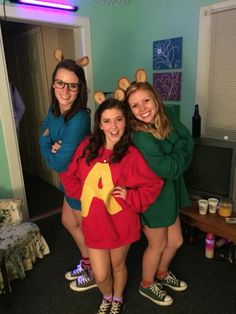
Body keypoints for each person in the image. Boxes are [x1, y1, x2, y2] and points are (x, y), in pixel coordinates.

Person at [60, 96, 164, 314]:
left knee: (118, 267)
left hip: (120, 223)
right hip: (95, 223)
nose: (113, 127)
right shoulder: (87, 147)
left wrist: (129, 197)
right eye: (107, 121)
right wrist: (85, 194)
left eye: (118, 120)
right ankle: (107, 295)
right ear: (99, 124)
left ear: (126, 121)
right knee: (100, 274)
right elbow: (68, 175)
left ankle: (117, 299)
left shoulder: (132, 154)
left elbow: (153, 184)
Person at [124, 78, 194, 306]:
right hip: (153, 198)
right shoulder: (141, 137)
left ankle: (161, 274)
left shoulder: (168, 117)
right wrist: (180, 151)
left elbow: (188, 140)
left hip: (170, 191)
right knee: (158, 244)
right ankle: (146, 284)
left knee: (176, 241)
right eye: (135, 105)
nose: (143, 109)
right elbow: (171, 167)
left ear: (155, 99)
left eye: (146, 100)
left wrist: (179, 151)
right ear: (130, 111)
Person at [39, 51, 95, 291]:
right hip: (68, 181)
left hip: (80, 183)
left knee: (88, 230)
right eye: (60, 83)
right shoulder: (54, 110)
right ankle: (87, 261)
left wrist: (47, 143)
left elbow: (58, 163)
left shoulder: (80, 118)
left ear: (80, 89)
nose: (65, 90)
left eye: (73, 86)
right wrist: (52, 144)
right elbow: (43, 128)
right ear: (53, 84)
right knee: (67, 221)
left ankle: (95, 270)